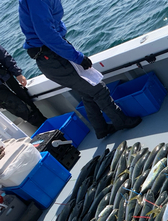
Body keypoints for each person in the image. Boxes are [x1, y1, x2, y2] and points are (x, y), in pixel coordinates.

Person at [18, 0, 142, 139]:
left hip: (53, 54)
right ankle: (121, 121)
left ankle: (101, 129)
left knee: (88, 93)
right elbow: (46, 33)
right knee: (97, 88)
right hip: (52, 57)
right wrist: (77, 57)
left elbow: (52, 24)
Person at [0, 44, 47, 127]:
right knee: (26, 112)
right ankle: (55, 134)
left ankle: (54, 131)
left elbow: (4, 56)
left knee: (30, 105)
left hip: (8, 79)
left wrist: (17, 73)